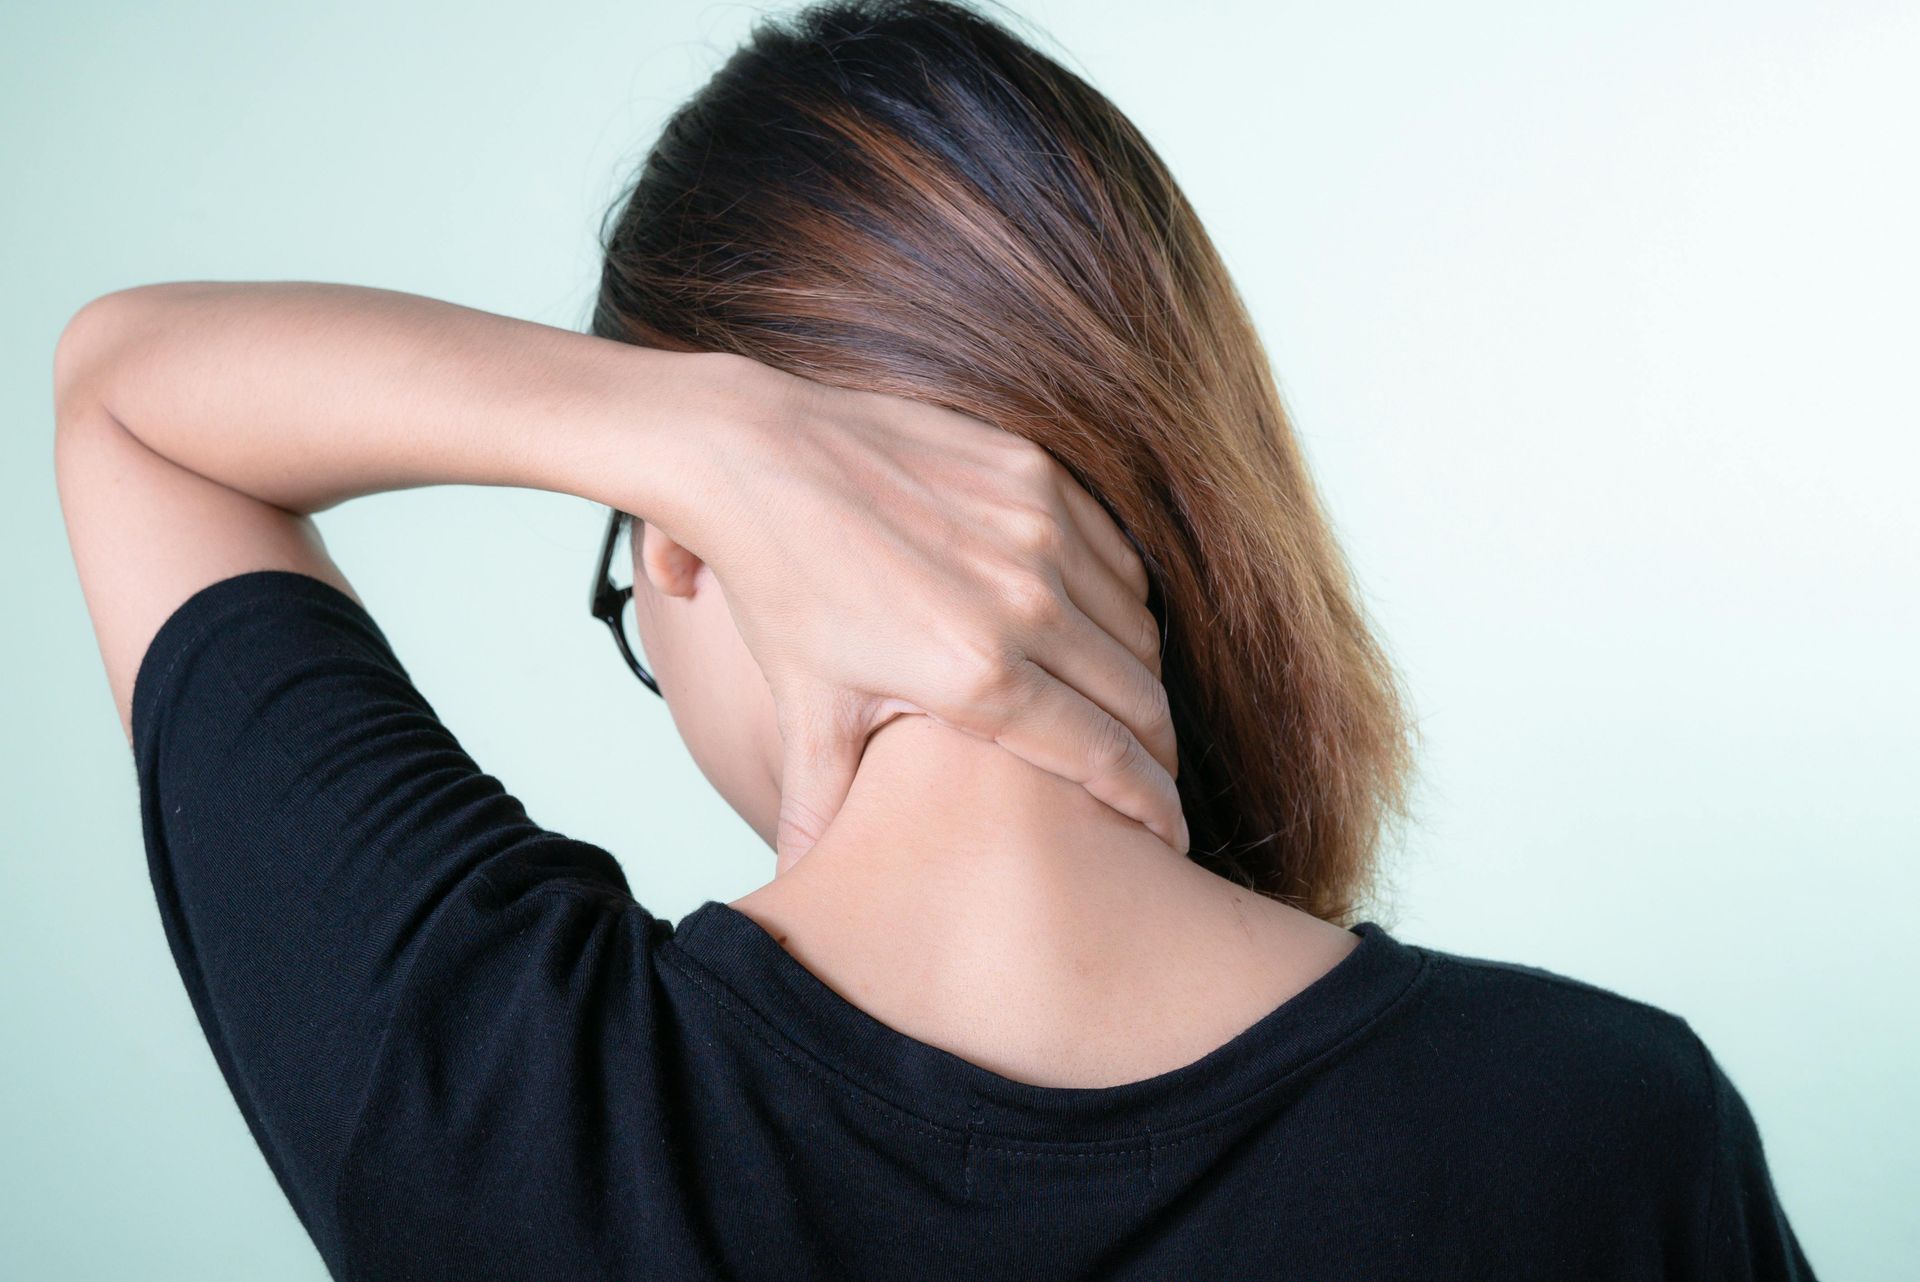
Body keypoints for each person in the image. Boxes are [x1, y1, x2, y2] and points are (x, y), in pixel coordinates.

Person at [52, 1, 1813, 1277]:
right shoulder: (1607, 1133)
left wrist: (683, 431)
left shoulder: (508, 1106)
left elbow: (123, 398)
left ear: (681, 547)